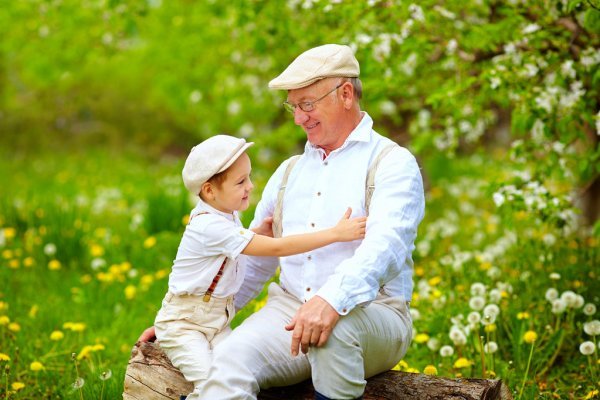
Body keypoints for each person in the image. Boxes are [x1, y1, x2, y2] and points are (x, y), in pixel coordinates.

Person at [140, 43, 425, 400]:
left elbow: (387, 248)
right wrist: (193, 322)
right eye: (293, 106)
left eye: (307, 104)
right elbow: (257, 262)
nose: (298, 118)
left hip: (373, 315)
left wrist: (331, 301)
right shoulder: (289, 171)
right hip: (289, 312)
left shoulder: (391, 163)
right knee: (227, 363)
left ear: (346, 94)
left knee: (333, 333)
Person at [153, 134, 367, 399]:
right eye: (241, 182)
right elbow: (277, 248)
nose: (251, 187)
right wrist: (335, 234)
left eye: (249, 177)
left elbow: (228, 253)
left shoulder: (226, 214)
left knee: (230, 369)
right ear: (209, 191)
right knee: (212, 382)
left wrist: (255, 232)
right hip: (184, 325)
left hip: (216, 321)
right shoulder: (208, 225)